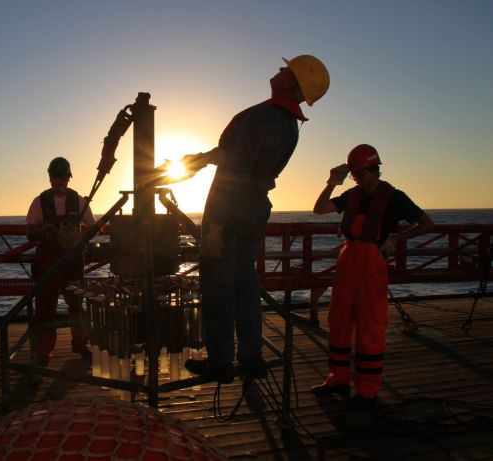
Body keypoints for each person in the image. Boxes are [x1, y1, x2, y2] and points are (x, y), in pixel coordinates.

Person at [181, 55, 331, 383]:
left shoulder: (263, 115)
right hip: (254, 205)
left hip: (231, 204)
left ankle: (220, 361)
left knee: (218, 285)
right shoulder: (286, 123)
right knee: (245, 281)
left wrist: (217, 226)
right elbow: (238, 154)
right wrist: (203, 159)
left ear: (293, 82)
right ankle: (251, 357)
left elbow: (236, 169)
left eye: (286, 69)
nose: (278, 69)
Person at [311, 144, 435, 409]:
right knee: (339, 319)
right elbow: (319, 209)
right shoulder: (351, 195)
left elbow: (427, 223)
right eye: (354, 174)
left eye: (361, 174)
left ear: (374, 170)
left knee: (370, 324)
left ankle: (367, 390)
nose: (358, 179)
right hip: (348, 257)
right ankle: (338, 379)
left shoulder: (395, 197)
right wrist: (332, 183)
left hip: (372, 262)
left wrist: (398, 238)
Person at [25, 156, 96, 366]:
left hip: (73, 260)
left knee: (76, 303)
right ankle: (43, 353)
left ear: (68, 178)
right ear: (49, 177)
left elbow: (91, 226)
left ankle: (81, 345)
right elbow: (29, 232)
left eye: (62, 177)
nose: (58, 181)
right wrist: (42, 230)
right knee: (45, 307)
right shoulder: (40, 201)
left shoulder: (80, 201)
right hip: (48, 260)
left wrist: (80, 234)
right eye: (54, 176)